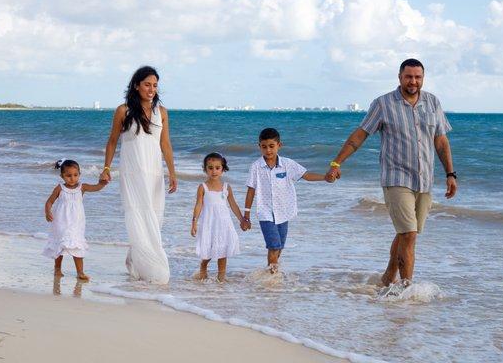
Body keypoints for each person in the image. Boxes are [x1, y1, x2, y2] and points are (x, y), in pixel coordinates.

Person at [325, 58, 457, 287]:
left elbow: (441, 141)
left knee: (407, 233)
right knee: (409, 234)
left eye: (418, 77)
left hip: (425, 180)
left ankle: (387, 278)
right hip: (396, 178)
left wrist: (451, 174)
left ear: (423, 78)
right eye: (408, 76)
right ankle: (406, 288)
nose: (413, 81)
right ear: (399, 77)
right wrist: (337, 163)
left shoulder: (433, 102)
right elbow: (360, 135)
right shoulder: (383, 104)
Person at [100, 66, 177, 283]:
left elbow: (166, 144)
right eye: (147, 84)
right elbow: (113, 141)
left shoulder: (161, 112)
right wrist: (106, 168)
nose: (151, 89)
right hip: (132, 174)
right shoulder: (123, 111)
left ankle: (134, 260)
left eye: (154, 85)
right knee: (138, 215)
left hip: (154, 174)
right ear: (136, 85)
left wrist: (172, 172)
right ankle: (154, 270)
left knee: (154, 217)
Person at [243, 128, 331, 274]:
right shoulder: (256, 167)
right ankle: (272, 278)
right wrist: (246, 215)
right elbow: (251, 190)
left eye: (271, 146)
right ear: (259, 146)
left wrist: (325, 177)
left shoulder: (288, 164)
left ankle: (270, 273)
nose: (268, 150)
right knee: (274, 246)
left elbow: (306, 175)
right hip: (265, 213)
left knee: (279, 247)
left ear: (279, 145)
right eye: (264, 147)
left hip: (284, 212)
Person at [43, 159, 107, 281]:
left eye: (75, 175)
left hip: (76, 223)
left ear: (79, 174)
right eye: (68, 175)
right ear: (62, 176)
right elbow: (49, 201)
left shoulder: (82, 187)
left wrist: (103, 182)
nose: (72, 178)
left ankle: (80, 272)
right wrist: (47, 211)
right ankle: (57, 269)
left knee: (77, 247)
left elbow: (96, 187)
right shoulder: (60, 188)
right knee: (60, 246)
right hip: (61, 222)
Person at [191, 153, 247, 282]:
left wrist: (242, 219)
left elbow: (233, 204)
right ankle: (203, 266)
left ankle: (221, 278)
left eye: (217, 168)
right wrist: (194, 222)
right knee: (208, 249)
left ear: (223, 169)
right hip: (209, 223)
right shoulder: (202, 187)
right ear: (205, 169)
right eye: (210, 168)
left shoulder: (226, 187)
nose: (214, 171)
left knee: (223, 249)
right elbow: (198, 205)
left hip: (223, 223)